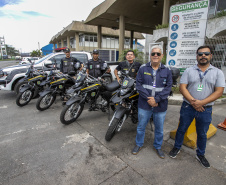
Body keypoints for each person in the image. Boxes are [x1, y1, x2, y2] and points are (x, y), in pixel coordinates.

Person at [169, 46, 225, 168]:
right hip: (188, 107)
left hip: (205, 109)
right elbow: (182, 87)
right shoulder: (189, 71)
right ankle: (176, 147)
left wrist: (202, 103)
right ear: (197, 56)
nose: (203, 56)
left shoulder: (218, 72)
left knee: (202, 133)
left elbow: (219, 92)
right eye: (200, 54)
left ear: (211, 56)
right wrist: (194, 102)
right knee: (181, 129)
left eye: (206, 54)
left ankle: (200, 154)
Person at [132, 45, 173, 159]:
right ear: (150, 55)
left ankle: (158, 146)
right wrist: (149, 99)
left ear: (162, 56)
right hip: (145, 104)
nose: (155, 55)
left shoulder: (167, 70)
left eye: (158, 54)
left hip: (160, 105)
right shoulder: (143, 68)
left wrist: (157, 100)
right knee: (141, 126)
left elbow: (168, 88)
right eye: (153, 53)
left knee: (159, 129)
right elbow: (139, 85)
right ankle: (139, 144)